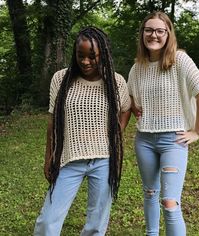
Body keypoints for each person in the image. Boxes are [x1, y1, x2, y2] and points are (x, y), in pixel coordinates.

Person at [34, 26, 131, 236]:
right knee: (48, 221)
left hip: (104, 160)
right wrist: (48, 157)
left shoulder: (116, 82)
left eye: (92, 56)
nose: (85, 61)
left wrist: (117, 133)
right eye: (80, 55)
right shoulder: (61, 79)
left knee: (96, 225)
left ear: (103, 54)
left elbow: (126, 108)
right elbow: (52, 122)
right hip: (69, 159)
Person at [127, 11, 199, 236]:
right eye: (148, 30)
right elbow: (130, 98)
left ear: (168, 34)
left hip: (173, 140)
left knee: (169, 202)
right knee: (150, 193)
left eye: (159, 31)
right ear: (142, 34)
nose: (153, 35)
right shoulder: (137, 68)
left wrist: (197, 131)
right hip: (144, 139)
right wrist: (135, 106)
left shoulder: (180, 60)